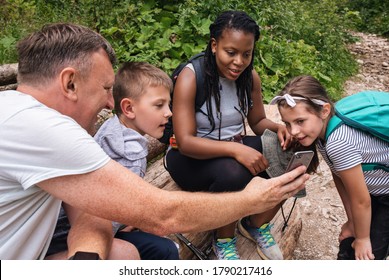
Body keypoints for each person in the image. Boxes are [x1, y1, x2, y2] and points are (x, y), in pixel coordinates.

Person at [0, 22, 309, 260]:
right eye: (106, 88)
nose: (110, 102)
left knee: (126, 254)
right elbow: (164, 215)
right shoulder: (38, 127)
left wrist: (87, 259)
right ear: (70, 83)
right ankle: (230, 237)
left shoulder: (27, 116)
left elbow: (89, 208)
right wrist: (251, 200)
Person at [165, 11, 292, 260]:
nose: (239, 62)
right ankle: (223, 239)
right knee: (234, 171)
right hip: (188, 157)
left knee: (293, 153)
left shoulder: (249, 77)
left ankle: (255, 223)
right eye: (231, 52)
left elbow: (256, 122)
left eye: (247, 54)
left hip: (231, 149)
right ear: (214, 45)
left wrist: (280, 129)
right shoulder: (192, 76)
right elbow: (186, 141)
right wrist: (237, 150)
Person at [270, 75, 389, 260]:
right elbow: (339, 176)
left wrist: (363, 238)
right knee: (351, 246)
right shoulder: (323, 132)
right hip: (376, 192)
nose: (293, 131)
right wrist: (351, 221)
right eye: (287, 123)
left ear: (324, 110)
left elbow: (361, 201)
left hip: (384, 195)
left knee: (369, 254)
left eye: (300, 121)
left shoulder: (338, 141)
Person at [94, 61, 179, 260]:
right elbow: (118, 213)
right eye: (159, 105)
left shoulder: (111, 127)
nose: (169, 112)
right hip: (93, 233)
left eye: (168, 104)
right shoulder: (131, 155)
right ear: (129, 108)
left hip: (78, 224)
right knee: (167, 250)